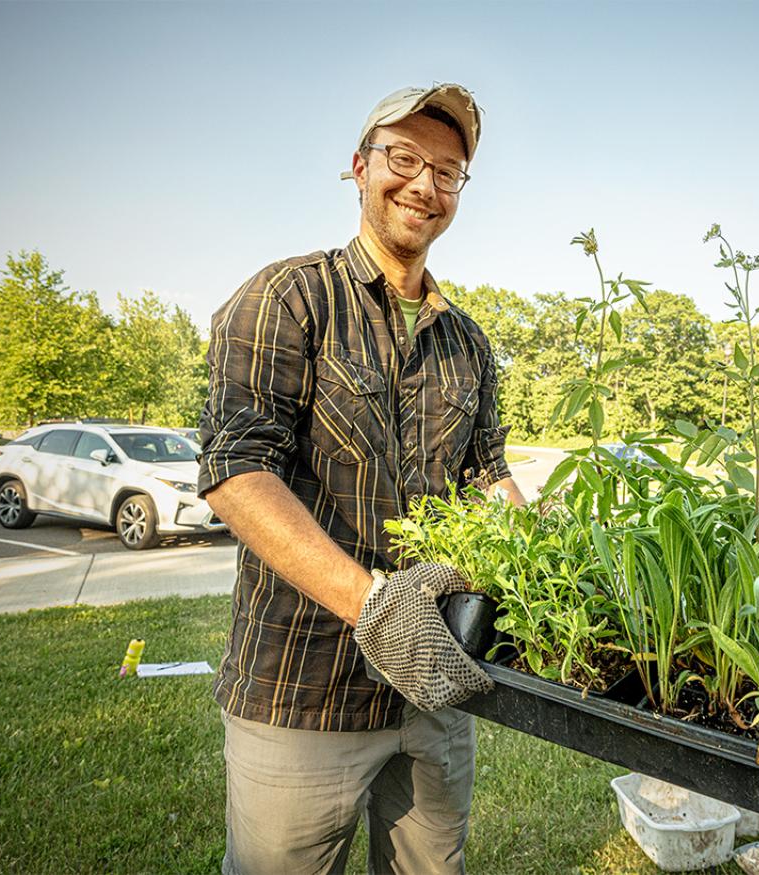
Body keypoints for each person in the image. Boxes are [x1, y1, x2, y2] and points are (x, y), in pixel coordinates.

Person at [197, 82, 527, 875]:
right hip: (301, 690)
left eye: (448, 172)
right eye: (404, 158)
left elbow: (488, 479)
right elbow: (236, 470)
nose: (424, 184)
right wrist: (374, 604)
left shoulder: (468, 343)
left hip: (434, 690)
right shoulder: (288, 298)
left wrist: (556, 564)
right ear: (358, 166)